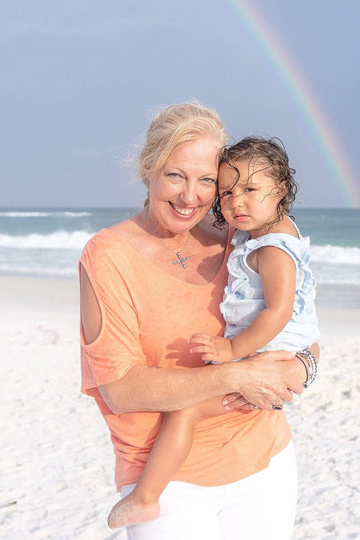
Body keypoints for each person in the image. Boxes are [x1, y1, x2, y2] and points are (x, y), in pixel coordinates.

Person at [79, 102, 319, 540]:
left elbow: (300, 325)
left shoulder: (242, 239)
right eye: (175, 175)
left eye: (207, 181)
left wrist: (303, 368)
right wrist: (239, 374)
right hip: (166, 477)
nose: (191, 197)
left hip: (264, 458)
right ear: (147, 168)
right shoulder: (108, 255)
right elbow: (121, 390)